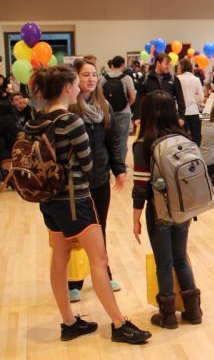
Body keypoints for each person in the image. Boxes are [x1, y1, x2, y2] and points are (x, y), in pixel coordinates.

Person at [30, 65, 151, 344]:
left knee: (59, 259)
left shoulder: (35, 120)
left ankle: (69, 322)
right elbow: (87, 164)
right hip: (76, 200)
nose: (79, 88)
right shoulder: (71, 121)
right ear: (66, 88)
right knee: (99, 259)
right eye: (75, 84)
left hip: (48, 200)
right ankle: (120, 324)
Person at [132, 90, 203, 329]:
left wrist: (136, 219)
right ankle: (193, 311)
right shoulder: (183, 137)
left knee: (164, 262)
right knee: (181, 258)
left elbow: (140, 188)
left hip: (159, 210)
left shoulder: (143, 144)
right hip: (183, 208)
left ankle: (168, 315)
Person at [67, 58, 128, 300]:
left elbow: (112, 141)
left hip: (100, 178)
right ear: (76, 79)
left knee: (100, 225)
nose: (91, 79)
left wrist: (119, 168)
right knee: (78, 229)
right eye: (85, 75)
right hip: (76, 181)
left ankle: (104, 270)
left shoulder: (104, 107)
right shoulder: (70, 108)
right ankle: (75, 279)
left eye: (94, 74)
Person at [134, 53, 185, 126]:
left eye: (169, 65)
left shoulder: (174, 79)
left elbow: (181, 99)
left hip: (169, 118)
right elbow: (139, 99)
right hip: (150, 118)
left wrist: (181, 117)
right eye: (166, 64)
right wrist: (137, 116)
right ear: (158, 63)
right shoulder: (145, 79)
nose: (168, 67)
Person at [101, 55, 136, 163]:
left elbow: (99, 95)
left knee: (108, 139)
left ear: (112, 64)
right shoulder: (127, 78)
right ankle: (120, 165)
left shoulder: (103, 78)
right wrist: (127, 105)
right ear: (122, 65)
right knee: (122, 140)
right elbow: (132, 96)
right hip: (124, 113)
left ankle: (108, 163)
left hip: (107, 113)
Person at [176, 58, 205, 145]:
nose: (177, 68)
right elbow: (201, 97)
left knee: (182, 138)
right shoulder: (196, 79)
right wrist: (192, 98)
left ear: (182, 67)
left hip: (180, 112)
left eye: (178, 66)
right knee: (196, 137)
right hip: (193, 111)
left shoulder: (177, 78)